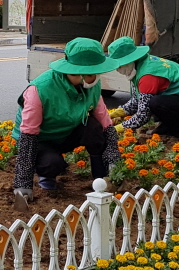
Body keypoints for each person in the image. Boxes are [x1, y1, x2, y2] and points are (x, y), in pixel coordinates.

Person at [12, 38, 121, 211]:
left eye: (93, 74)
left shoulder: (92, 85)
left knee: (94, 128)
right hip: (41, 140)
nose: (89, 79)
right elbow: (29, 134)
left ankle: (101, 177)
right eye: (82, 74)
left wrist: (113, 156)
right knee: (52, 163)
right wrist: (23, 183)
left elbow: (103, 118)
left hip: (67, 132)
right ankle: (47, 176)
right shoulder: (40, 89)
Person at [105, 36, 179, 140]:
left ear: (129, 61)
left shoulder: (147, 75)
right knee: (153, 101)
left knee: (156, 103)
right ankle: (167, 126)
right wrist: (113, 114)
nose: (117, 70)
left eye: (119, 65)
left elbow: (143, 115)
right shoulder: (140, 66)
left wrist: (115, 129)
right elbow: (136, 102)